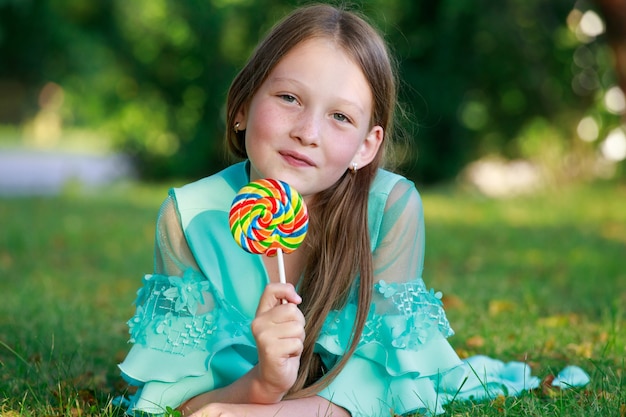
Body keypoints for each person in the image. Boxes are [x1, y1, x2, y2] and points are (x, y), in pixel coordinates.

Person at [116, 3, 587, 417]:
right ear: (241, 107)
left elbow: (385, 383)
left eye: (340, 116)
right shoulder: (189, 219)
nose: (308, 131)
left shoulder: (389, 209)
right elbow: (175, 403)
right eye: (289, 98)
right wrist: (263, 384)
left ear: (366, 145)